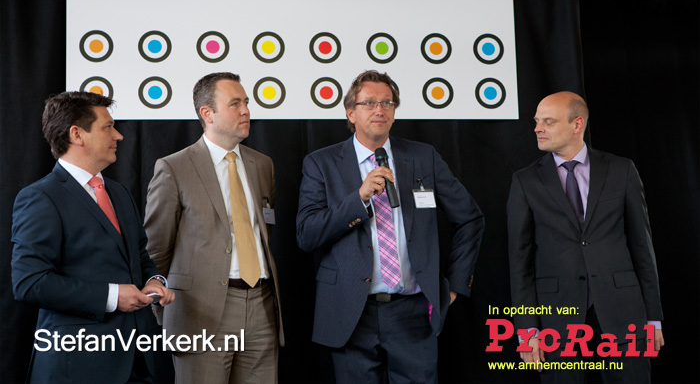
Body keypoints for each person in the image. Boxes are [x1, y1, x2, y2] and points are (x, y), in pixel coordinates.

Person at [296, 70, 485, 383]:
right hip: (351, 312)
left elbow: (470, 218)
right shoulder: (321, 163)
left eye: (387, 103)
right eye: (369, 103)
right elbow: (307, 234)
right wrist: (358, 199)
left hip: (412, 311)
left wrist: (454, 286)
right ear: (351, 113)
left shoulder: (423, 157)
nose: (379, 110)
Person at [11, 91, 174, 384]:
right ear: (77, 134)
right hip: (78, 365)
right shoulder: (41, 197)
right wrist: (112, 297)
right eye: (108, 127)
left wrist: (154, 281)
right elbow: (30, 283)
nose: (119, 136)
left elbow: (139, 255)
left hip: (138, 360)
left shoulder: (119, 193)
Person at [507, 91, 664, 382]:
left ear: (577, 124)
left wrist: (654, 318)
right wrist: (527, 328)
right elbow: (520, 262)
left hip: (624, 314)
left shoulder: (621, 170)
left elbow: (643, 248)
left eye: (548, 121)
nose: (537, 128)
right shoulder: (525, 181)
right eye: (537, 121)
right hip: (556, 318)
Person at [144, 72, 283, 384]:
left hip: (261, 305)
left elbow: (264, 230)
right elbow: (156, 247)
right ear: (207, 113)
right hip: (200, 311)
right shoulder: (174, 167)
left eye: (246, 102)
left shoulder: (262, 165)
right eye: (235, 104)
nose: (246, 110)